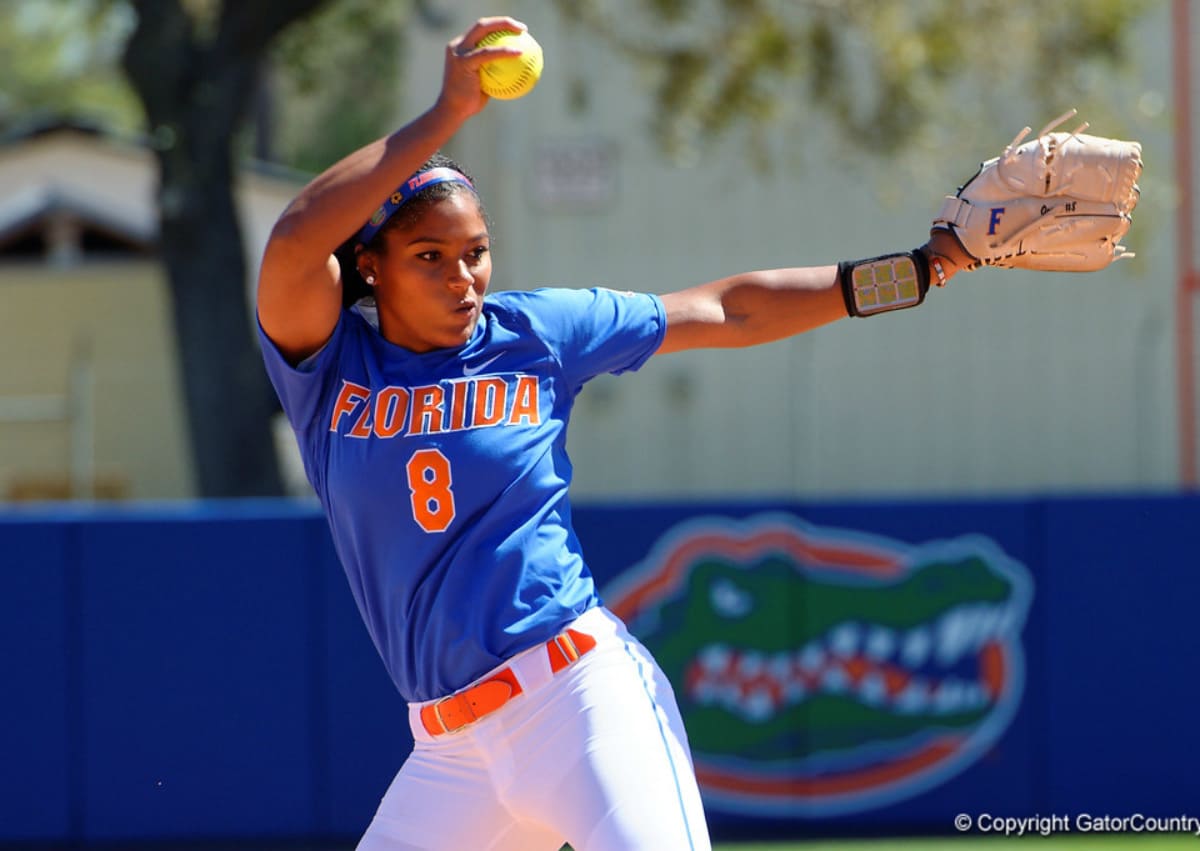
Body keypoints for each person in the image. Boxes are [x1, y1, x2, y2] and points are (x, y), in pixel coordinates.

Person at [256, 15, 969, 851]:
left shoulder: (538, 333)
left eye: (476, 252)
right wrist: (447, 114)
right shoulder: (329, 366)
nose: (463, 277)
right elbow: (299, 234)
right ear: (370, 264)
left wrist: (924, 268)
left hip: (576, 702)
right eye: (430, 256)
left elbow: (728, 309)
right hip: (448, 752)